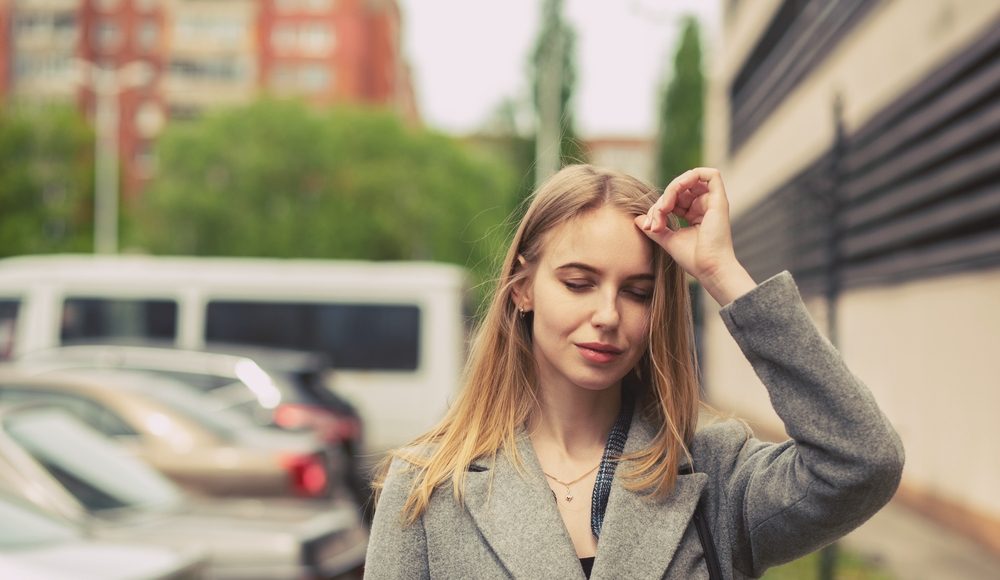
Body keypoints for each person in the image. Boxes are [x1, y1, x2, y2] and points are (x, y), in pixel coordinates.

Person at [364, 165, 904, 579]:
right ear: (524, 289)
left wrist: (722, 273)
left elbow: (863, 460)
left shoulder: (712, 475)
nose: (607, 316)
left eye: (637, 292)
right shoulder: (429, 486)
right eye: (578, 283)